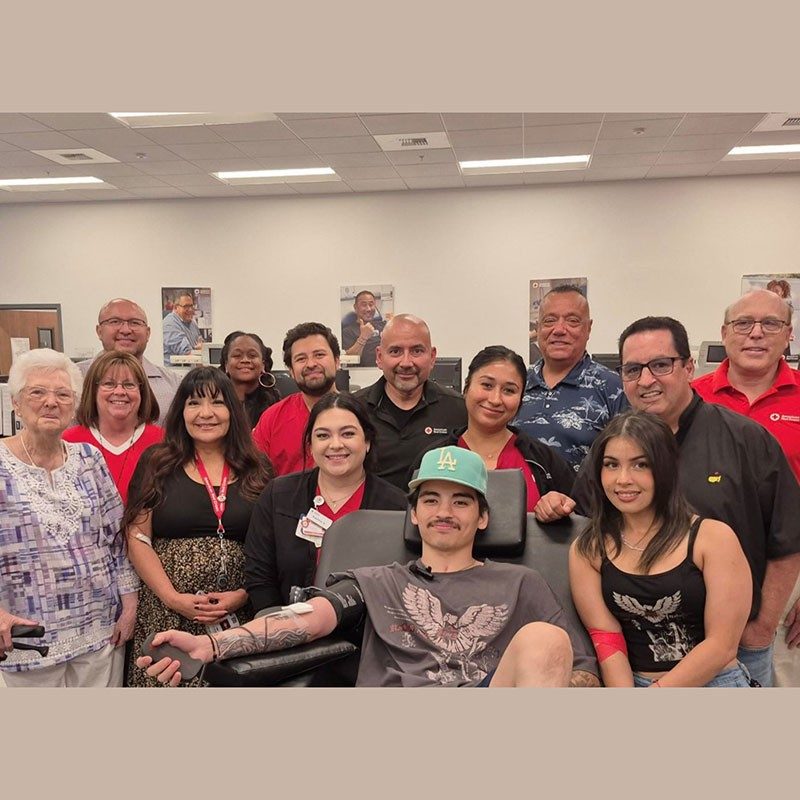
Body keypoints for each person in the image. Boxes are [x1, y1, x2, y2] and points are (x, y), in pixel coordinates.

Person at [137, 446, 599, 688]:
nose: (444, 512)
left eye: (461, 501)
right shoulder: (379, 579)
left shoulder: (523, 582)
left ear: (482, 517)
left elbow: (580, 673)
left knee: (545, 638)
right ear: (413, 514)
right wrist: (210, 646)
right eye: (431, 499)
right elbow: (306, 620)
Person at [572, 315, 800, 687]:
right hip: (636, 660)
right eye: (633, 370)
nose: (647, 380)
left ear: (689, 367)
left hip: (732, 650)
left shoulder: (746, 440)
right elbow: (586, 521)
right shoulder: (610, 446)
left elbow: (788, 537)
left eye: (661, 365)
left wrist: (760, 629)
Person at [569, 411, 753, 687]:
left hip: (716, 682)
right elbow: (607, 636)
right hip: (633, 683)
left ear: (666, 467)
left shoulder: (713, 538)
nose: (623, 479)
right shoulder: (588, 548)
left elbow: (722, 645)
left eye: (640, 465)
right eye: (611, 465)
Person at [123, 367, 272, 686]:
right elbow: (137, 538)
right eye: (194, 403)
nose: (206, 413)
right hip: (165, 611)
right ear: (181, 411)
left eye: (217, 403)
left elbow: (272, 547)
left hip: (235, 618)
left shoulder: (257, 467)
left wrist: (244, 595)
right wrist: (173, 597)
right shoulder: (156, 462)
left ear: (232, 411)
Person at [0, 349, 138, 687]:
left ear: (74, 404)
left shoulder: (89, 458)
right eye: (37, 392)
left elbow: (117, 539)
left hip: (99, 631)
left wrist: (130, 605)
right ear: (16, 402)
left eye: (63, 394)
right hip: (26, 635)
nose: (51, 402)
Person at [692, 289, 800, 686]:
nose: (756, 334)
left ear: (788, 334)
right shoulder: (691, 397)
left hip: (786, 574)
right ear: (725, 333)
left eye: (770, 324)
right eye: (743, 324)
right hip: (696, 572)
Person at [244, 393, 407, 612]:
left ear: (367, 441)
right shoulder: (278, 496)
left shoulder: (395, 506)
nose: (336, 445)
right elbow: (259, 578)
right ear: (310, 445)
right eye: (323, 436)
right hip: (289, 633)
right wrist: (284, 629)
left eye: (348, 434)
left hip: (370, 638)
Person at [411, 345, 576, 521]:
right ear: (466, 388)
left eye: (509, 390)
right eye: (487, 385)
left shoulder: (543, 460)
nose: (495, 399)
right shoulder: (433, 458)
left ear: (520, 400)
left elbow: (580, 519)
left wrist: (561, 509)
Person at [514, 285, 628, 473]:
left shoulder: (614, 388)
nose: (559, 329)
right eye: (549, 321)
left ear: (589, 328)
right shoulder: (517, 383)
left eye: (572, 321)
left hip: (583, 501)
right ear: (538, 328)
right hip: (517, 501)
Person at [354, 314, 467, 490]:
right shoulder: (354, 410)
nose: (406, 362)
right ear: (379, 357)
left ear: (432, 356)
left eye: (417, 351)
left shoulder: (459, 410)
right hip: (374, 515)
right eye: (395, 351)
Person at [63, 350, 164, 503]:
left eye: (129, 385)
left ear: (142, 392)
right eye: (109, 384)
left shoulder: (163, 442)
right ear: (93, 390)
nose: (119, 392)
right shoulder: (68, 443)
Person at [252, 322, 340, 477]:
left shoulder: (360, 414)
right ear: (291, 371)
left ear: (337, 361)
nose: (311, 364)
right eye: (301, 359)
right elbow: (254, 477)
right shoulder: (272, 419)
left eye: (319, 355)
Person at [78, 297, 181, 425]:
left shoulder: (174, 384)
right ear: (99, 331)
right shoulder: (73, 378)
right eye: (115, 321)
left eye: (135, 323)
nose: (125, 330)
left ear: (148, 333)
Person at [219, 330, 281, 428]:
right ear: (226, 364)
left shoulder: (276, 406)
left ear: (263, 365)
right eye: (237, 356)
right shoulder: (214, 402)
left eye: (252, 355)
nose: (245, 360)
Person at [341, 290, 388, 367]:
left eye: (371, 304)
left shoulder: (384, 326)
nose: (368, 309)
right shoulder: (348, 331)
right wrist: (363, 337)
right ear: (355, 307)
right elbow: (349, 361)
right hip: (362, 373)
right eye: (364, 305)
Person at [162, 292, 203, 364]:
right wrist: (201, 351)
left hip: (190, 368)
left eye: (191, 306)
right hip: (174, 370)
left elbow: (201, 344)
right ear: (175, 307)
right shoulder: (169, 324)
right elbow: (186, 353)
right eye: (186, 306)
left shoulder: (192, 324)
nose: (190, 310)